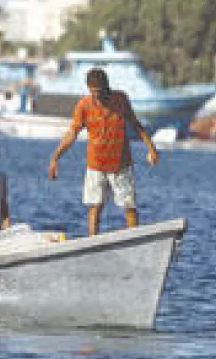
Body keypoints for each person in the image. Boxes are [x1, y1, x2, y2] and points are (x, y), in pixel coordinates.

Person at [48, 67, 159, 235]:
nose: (97, 97)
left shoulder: (120, 99)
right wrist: (56, 157)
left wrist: (151, 148)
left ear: (106, 87)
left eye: (99, 92)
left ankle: (135, 238)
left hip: (121, 164)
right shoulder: (84, 106)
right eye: (93, 93)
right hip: (96, 165)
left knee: (130, 206)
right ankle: (94, 242)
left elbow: (136, 125)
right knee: (95, 208)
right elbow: (72, 134)